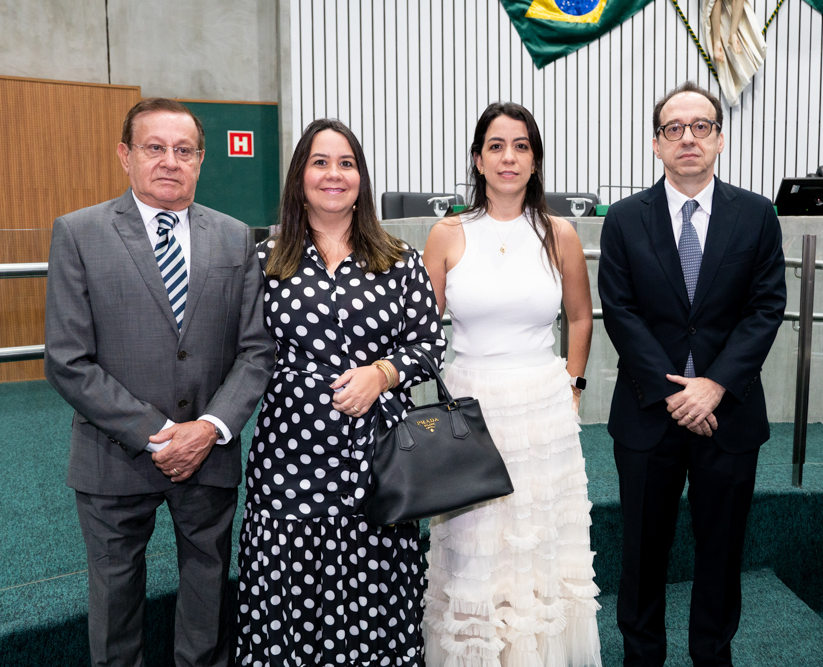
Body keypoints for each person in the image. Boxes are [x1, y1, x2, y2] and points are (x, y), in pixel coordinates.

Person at [44, 97, 275, 667]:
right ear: (126, 156)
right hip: (114, 457)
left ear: (201, 160)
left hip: (209, 454)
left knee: (206, 595)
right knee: (115, 609)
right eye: (155, 148)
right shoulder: (79, 233)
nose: (169, 161)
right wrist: (160, 432)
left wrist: (210, 428)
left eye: (184, 150)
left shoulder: (234, 237)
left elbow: (256, 352)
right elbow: (68, 360)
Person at [234, 118, 447, 667]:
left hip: (377, 458)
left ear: (362, 178)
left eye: (346, 163)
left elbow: (429, 345)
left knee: (376, 594)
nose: (334, 174)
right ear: (299, 175)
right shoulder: (264, 259)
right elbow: (240, 354)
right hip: (288, 458)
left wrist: (382, 373)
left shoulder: (400, 259)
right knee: (287, 589)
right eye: (320, 162)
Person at [598, 81, 786, 667]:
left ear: (720, 139)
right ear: (656, 144)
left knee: (721, 552)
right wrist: (674, 392)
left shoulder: (755, 214)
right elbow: (620, 311)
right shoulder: (627, 219)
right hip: (648, 413)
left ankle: (712, 655)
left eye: (700, 126)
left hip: (726, 414)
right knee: (641, 555)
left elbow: (765, 306)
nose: (687, 138)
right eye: (673, 129)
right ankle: (642, 657)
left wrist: (714, 385)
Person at [421, 102, 602, 667]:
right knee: (476, 551)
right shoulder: (448, 233)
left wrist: (573, 386)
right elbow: (422, 332)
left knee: (541, 550)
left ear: (535, 159)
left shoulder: (560, 233)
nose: (508, 157)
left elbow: (579, 317)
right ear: (478, 159)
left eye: (521, 146)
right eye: (496, 146)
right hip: (472, 408)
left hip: (543, 412)